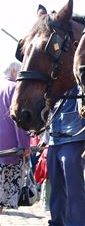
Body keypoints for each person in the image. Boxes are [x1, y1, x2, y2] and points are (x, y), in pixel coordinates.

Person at [46, 86, 85, 226]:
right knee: (56, 188)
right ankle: (56, 222)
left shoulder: (78, 86)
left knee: (74, 190)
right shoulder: (54, 87)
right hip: (54, 140)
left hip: (73, 139)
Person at [0, 62, 31, 213]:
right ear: (13, 71)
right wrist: (24, 145)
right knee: (2, 195)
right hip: (9, 148)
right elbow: (18, 120)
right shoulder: (14, 89)